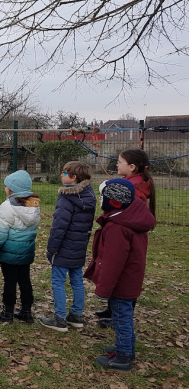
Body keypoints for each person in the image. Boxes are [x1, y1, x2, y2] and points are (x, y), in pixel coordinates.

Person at [84, 179, 155, 371]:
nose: (100, 200)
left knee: (121, 318)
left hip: (122, 283)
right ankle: (126, 348)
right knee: (124, 315)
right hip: (132, 279)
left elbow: (113, 262)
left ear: (113, 202)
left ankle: (123, 356)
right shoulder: (131, 217)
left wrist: (104, 289)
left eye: (102, 196)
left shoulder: (118, 227)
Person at [96, 148, 157, 326]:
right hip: (127, 238)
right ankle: (113, 311)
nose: (116, 164)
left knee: (122, 275)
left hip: (125, 240)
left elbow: (128, 217)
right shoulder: (131, 184)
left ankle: (119, 317)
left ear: (131, 167)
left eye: (119, 162)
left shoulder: (134, 189)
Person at [38, 162, 97, 331]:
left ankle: (59, 318)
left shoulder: (66, 197)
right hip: (79, 247)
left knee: (58, 281)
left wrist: (52, 248)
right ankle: (76, 315)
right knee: (77, 279)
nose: (61, 175)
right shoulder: (89, 195)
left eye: (64, 173)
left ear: (73, 178)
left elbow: (59, 226)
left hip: (64, 247)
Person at [0, 170, 40, 324]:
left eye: (6, 186)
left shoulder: (7, 207)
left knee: (10, 281)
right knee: (24, 280)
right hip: (26, 252)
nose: (5, 189)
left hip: (9, 254)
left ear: (12, 190)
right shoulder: (34, 206)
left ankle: (7, 313)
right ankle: (26, 312)